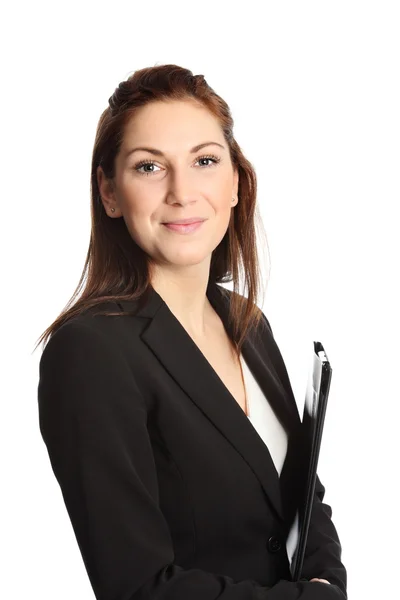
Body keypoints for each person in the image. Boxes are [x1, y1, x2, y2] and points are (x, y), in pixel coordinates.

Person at [36, 64, 347, 599]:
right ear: (110, 193)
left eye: (204, 161)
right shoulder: (89, 353)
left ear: (234, 182)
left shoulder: (248, 323)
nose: (182, 191)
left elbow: (302, 494)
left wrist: (328, 581)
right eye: (149, 167)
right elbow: (137, 587)